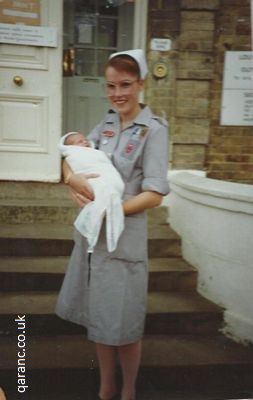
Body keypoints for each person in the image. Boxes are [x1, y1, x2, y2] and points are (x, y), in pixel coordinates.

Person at [55, 48, 170, 400]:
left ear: (140, 84)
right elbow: (70, 158)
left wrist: (114, 209)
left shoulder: (153, 130)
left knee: (126, 323)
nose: (117, 93)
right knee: (101, 319)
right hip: (95, 240)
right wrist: (72, 182)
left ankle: (129, 389)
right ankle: (106, 388)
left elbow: (155, 193)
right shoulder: (103, 126)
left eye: (125, 84)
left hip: (125, 241)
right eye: (110, 86)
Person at [58, 131, 125, 253]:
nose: (85, 141)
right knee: (101, 190)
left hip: (110, 178)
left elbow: (104, 163)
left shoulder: (96, 152)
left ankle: (105, 200)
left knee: (107, 191)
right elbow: (70, 168)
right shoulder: (73, 154)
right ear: (70, 147)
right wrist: (71, 179)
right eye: (80, 141)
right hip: (92, 180)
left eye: (85, 140)